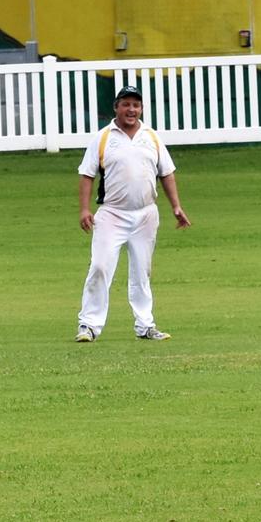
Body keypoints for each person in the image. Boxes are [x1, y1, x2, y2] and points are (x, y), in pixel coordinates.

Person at [74, 84, 191, 343]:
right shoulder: (104, 137)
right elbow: (87, 174)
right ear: (116, 107)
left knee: (142, 271)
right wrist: (84, 209)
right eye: (126, 104)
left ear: (141, 109)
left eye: (135, 105)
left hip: (146, 214)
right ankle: (89, 325)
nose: (131, 110)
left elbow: (166, 172)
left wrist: (176, 206)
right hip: (112, 214)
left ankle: (145, 325)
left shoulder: (151, 136)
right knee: (101, 266)